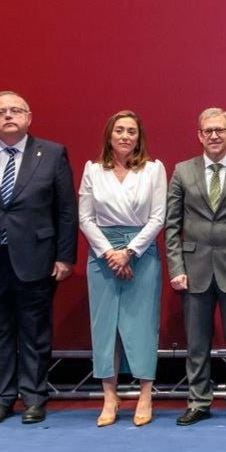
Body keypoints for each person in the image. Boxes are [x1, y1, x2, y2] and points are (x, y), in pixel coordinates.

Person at [0, 91, 78, 425]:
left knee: (35, 332)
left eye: (15, 111)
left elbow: (66, 210)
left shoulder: (52, 153)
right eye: (0, 112)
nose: (8, 116)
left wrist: (65, 257)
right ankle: (1, 398)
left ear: (29, 117)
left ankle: (35, 398)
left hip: (36, 257)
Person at [165, 107, 226, 426]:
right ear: (199, 135)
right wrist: (176, 267)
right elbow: (171, 225)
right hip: (193, 270)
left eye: (220, 130)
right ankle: (198, 400)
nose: (215, 136)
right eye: (208, 131)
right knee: (196, 345)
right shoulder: (182, 171)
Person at [78, 111, 166, 427]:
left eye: (131, 131)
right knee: (105, 329)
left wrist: (128, 252)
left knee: (142, 325)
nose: (126, 136)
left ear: (139, 137)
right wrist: (109, 253)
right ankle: (109, 397)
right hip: (102, 255)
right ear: (109, 136)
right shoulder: (93, 170)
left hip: (140, 252)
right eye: (120, 130)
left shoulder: (154, 170)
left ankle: (145, 395)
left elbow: (158, 217)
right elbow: (85, 218)